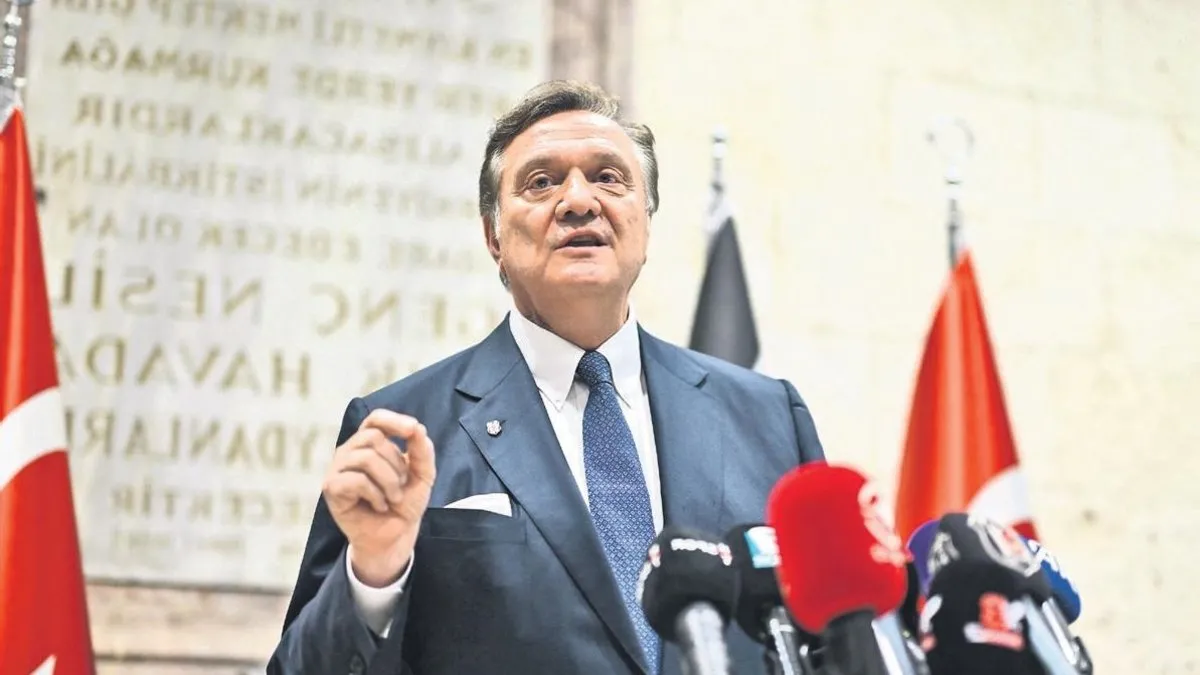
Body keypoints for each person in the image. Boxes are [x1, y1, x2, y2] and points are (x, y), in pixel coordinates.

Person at [269, 80, 825, 675]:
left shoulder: (768, 417)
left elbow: (830, 643)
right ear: (493, 238)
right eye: (541, 182)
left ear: (645, 223)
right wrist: (374, 576)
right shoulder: (405, 429)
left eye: (608, 177)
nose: (579, 201)